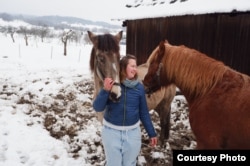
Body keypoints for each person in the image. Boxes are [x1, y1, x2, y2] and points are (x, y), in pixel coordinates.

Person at [93, 54, 158, 166]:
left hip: (132, 134)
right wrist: (105, 90)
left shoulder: (139, 87)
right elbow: (98, 107)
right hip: (111, 133)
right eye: (132, 66)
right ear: (123, 67)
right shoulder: (113, 85)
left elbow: (143, 112)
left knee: (130, 163)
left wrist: (152, 133)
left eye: (135, 66)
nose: (135, 69)